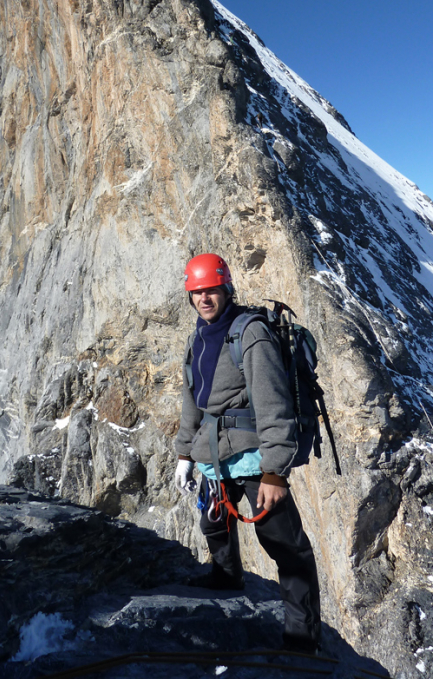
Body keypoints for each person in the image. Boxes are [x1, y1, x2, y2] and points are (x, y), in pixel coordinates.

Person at [174, 252, 321, 654]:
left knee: (286, 546)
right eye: (196, 292)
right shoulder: (198, 338)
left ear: (226, 288)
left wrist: (275, 473)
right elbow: (193, 400)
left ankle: (302, 638)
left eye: (211, 290)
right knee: (213, 524)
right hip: (214, 456)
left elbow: (274, 404)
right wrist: (185, 453)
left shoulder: (250, 333)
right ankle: (226, 577)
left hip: (255, 456)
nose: (204, 299)